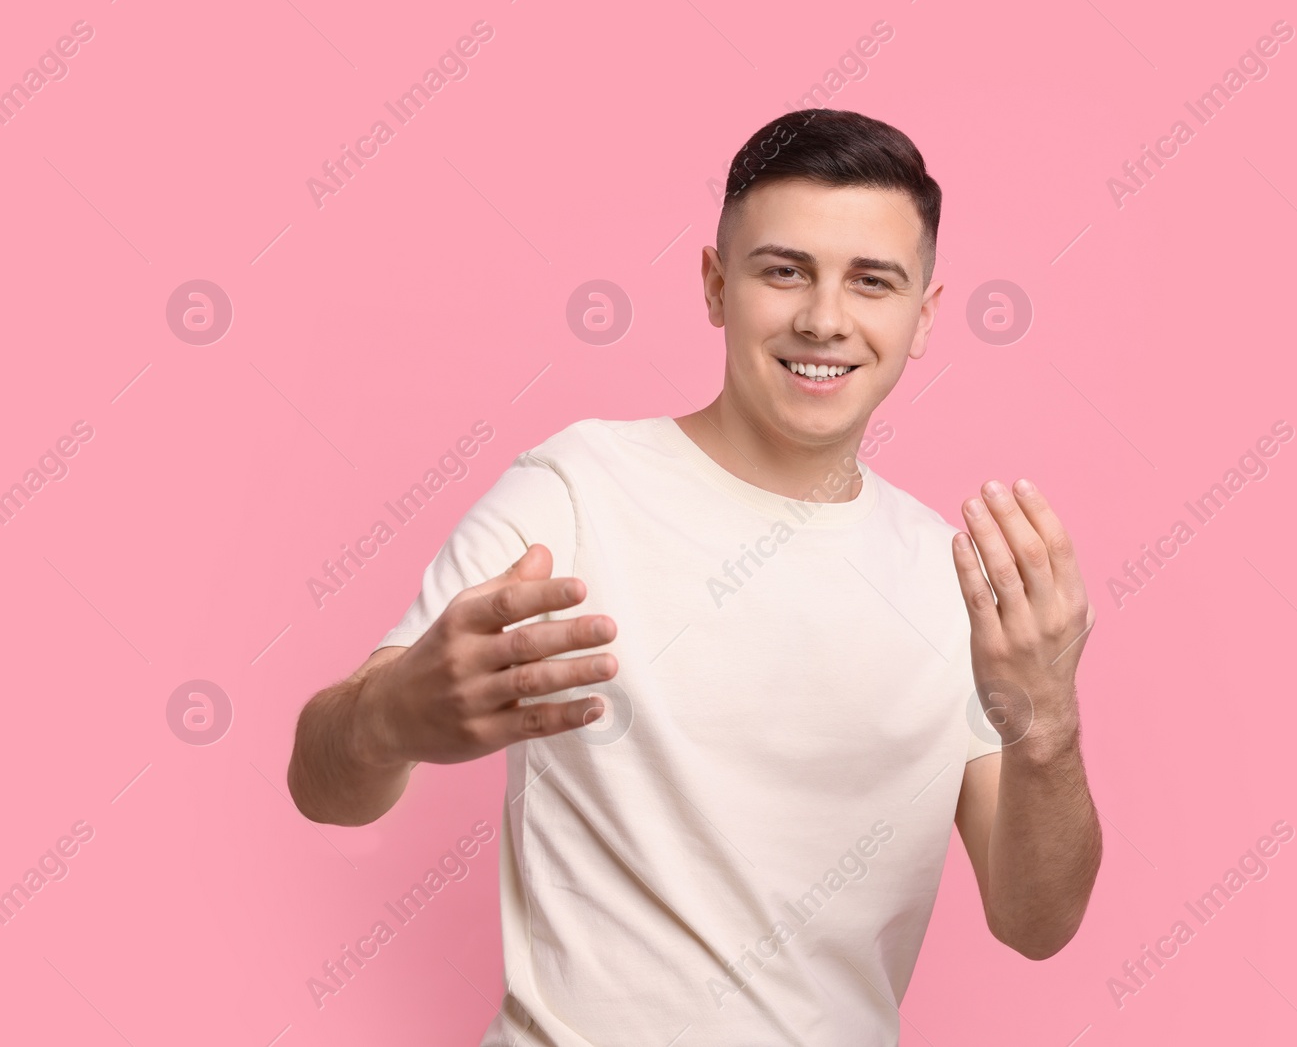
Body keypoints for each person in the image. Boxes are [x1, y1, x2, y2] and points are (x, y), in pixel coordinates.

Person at [287, 108, 1101, 1046]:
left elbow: (1036, 921)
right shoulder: (578, 492)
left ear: (922, 317)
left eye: (871, 282)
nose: (824, 318)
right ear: (716, 286)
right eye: (783, 269)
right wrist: (390, 716)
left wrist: (1046, 722)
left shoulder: (953, 580)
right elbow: (324, 784)